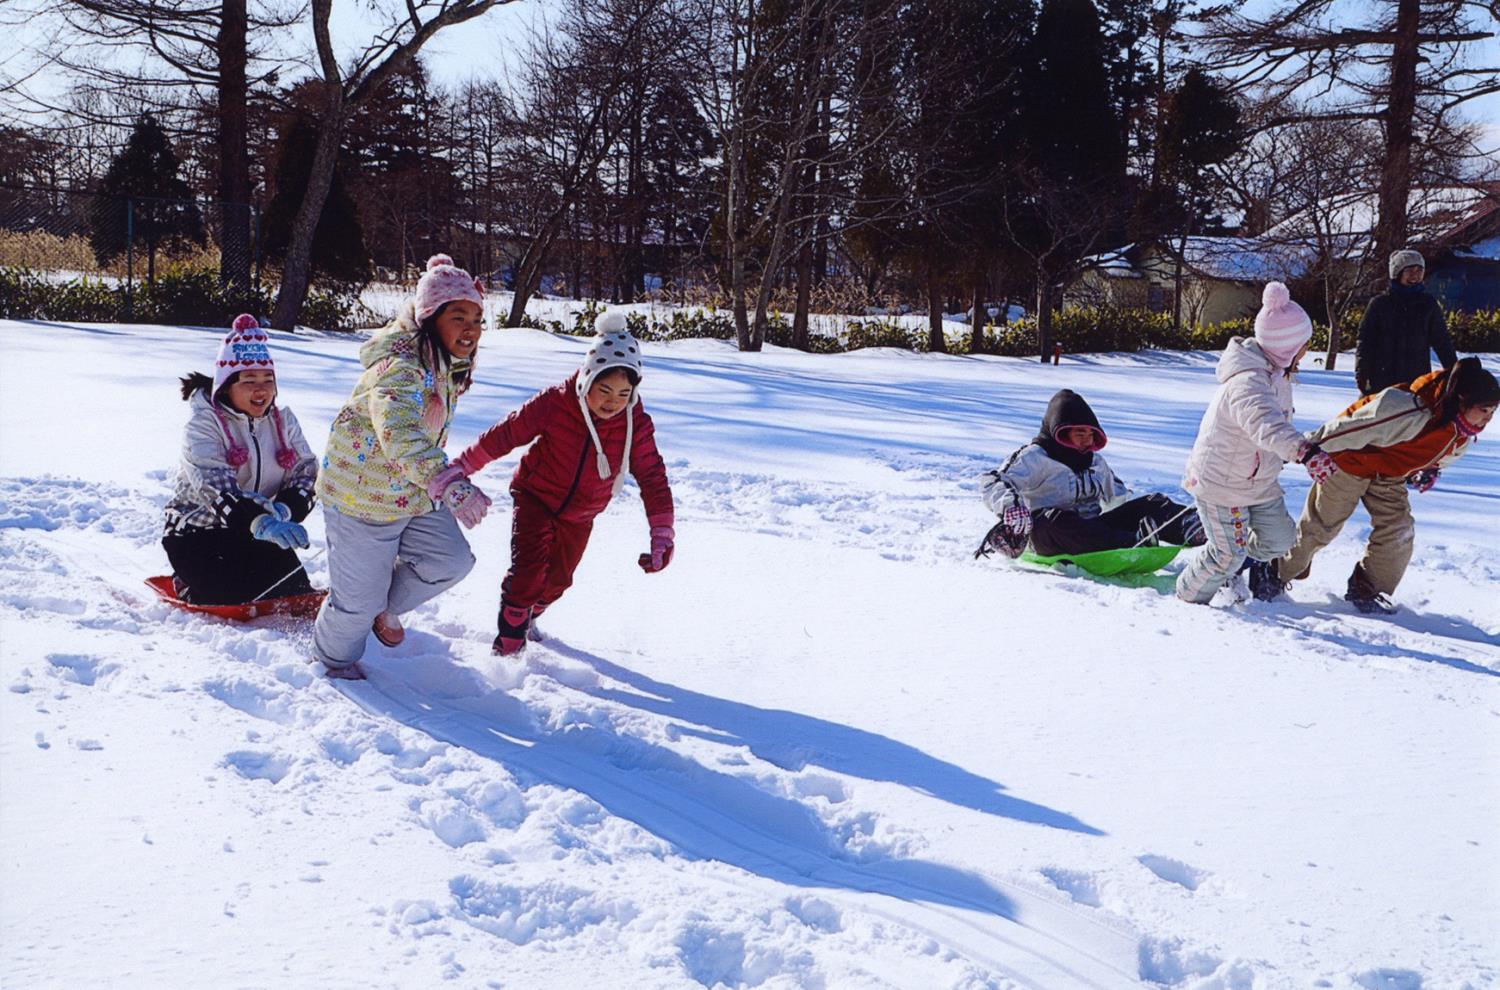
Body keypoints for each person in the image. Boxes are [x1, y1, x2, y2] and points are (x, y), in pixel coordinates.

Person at [432, 310, 674, 655]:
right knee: (528, 572)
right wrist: (463, 467)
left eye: (623, 394)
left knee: (559, 581)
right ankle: (508, 649)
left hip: (581, 513)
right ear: (587, 379)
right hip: (536, 497)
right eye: (604, 390)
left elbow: (652, 476)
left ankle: (528, 616)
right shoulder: (557, 403)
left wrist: (661, 533)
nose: (612, 402)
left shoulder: (635, 423)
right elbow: (507, 433)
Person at [312, 254, 490, 680]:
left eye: (478, 318)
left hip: (410, 494)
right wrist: (448, 480)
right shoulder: (400, 366)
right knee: (355, 606)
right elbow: (400, 433)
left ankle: (383, 609)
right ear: (429, 318)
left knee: (449, 561)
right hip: (360, 497)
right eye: (458, 316)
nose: (470, 328)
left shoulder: (443, 363)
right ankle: (331, 662)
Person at [1250, 357, 1498, 613]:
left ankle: (1366, 589)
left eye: (1493, 412)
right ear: (1462, 401)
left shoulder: (1462, 432)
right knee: (1322, 526)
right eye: (1484, 410)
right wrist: (1307, 448)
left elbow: (1439, 455)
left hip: (1387, 474)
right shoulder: (1409, 408)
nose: (1488, 418)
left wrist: (1429, 470)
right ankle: (1272, 571)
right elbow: (1352, 426)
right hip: (1349, 462)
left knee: (1398, 530)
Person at [1176, 282, 1339, 605]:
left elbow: (1275, 425)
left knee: (1279, 540)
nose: (1307, 351)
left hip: (1256, 482)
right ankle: (1187, 602)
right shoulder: (1248, 381)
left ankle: (1229, 570)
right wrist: (1303, 451)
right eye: (1304, 344)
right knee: (1226, 554)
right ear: (1287, 346)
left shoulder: (1276, 374)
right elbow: (1265, 426)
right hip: (1221, 483)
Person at [162, 314, 318, 605]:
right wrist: (261, 522)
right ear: (225, 386)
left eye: (268, 379)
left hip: (256, 529)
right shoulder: (203, 425)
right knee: (229, 596)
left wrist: (285, 510)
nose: (261, 389)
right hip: (198, 534)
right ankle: (187, 581)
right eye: (248, 380)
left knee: (293, 592)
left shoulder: (283, 422)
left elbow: (306, 473)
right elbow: (214, 486)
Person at [978, 389, 1205, 559]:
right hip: (1047, 537)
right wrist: (1012, 507)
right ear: (1061, 432)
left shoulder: (1095, 462)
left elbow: (1118, 498)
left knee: (1152, 502)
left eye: (1090, 434)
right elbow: (993, 482)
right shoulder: (1036, 457)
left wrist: (1139, 514)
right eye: (1080, 433)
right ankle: (1131, 543)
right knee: (1053, 520)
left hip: (1094, 531)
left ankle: (1198, 527)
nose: (1087, 440)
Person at [1354, 249, 1457, 396]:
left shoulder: (1428, 304)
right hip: (1381, 378)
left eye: (1419, 270)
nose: (1415, 275)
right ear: (1397, 273)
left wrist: (1453, 369)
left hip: (1416, 380)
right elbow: (1365, 340)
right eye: (1410, 270)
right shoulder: (1380, 304)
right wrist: (1362, 372)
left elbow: (1442, 340)